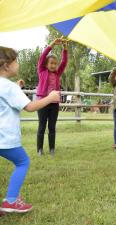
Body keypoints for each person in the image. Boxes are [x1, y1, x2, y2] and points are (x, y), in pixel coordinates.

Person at [0, 46, 60, 213]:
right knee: (22, 162)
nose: (18, 64)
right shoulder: (9, 87)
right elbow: (30, 106)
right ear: (6, 65)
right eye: (16, 61)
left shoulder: (9, 87)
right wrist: (50, 98)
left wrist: (17, 87)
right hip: (5, 138)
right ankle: (11, 200)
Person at [36, 38, 68, 156]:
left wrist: (65, 48)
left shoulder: (57, 73)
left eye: (55, 63)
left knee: (52, 127)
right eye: (51, 63)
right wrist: (52, 44)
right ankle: (40, 149)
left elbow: (64, 62)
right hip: (43, 103)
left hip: (54, 104)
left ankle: (52, 149)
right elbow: (42, 56)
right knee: (42, 126)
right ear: (46, 64)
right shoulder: (41, 71)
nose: (54, 65)